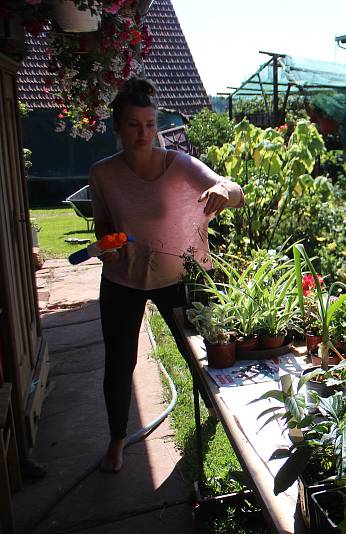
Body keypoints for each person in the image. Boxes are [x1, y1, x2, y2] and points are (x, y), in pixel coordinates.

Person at [89, 78, 244, 473]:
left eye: (150, 124)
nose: (144, 133)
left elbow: (235, 189)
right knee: (119, 361)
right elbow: (103, 226)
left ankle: (218, 414)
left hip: (184, 276)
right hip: (125, 280)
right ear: (117, 128)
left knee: (205, 351)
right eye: (133, 125)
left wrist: (224, 192)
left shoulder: (180, 165)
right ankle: (117, 441)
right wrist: (107, 246)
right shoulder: (103, 174)